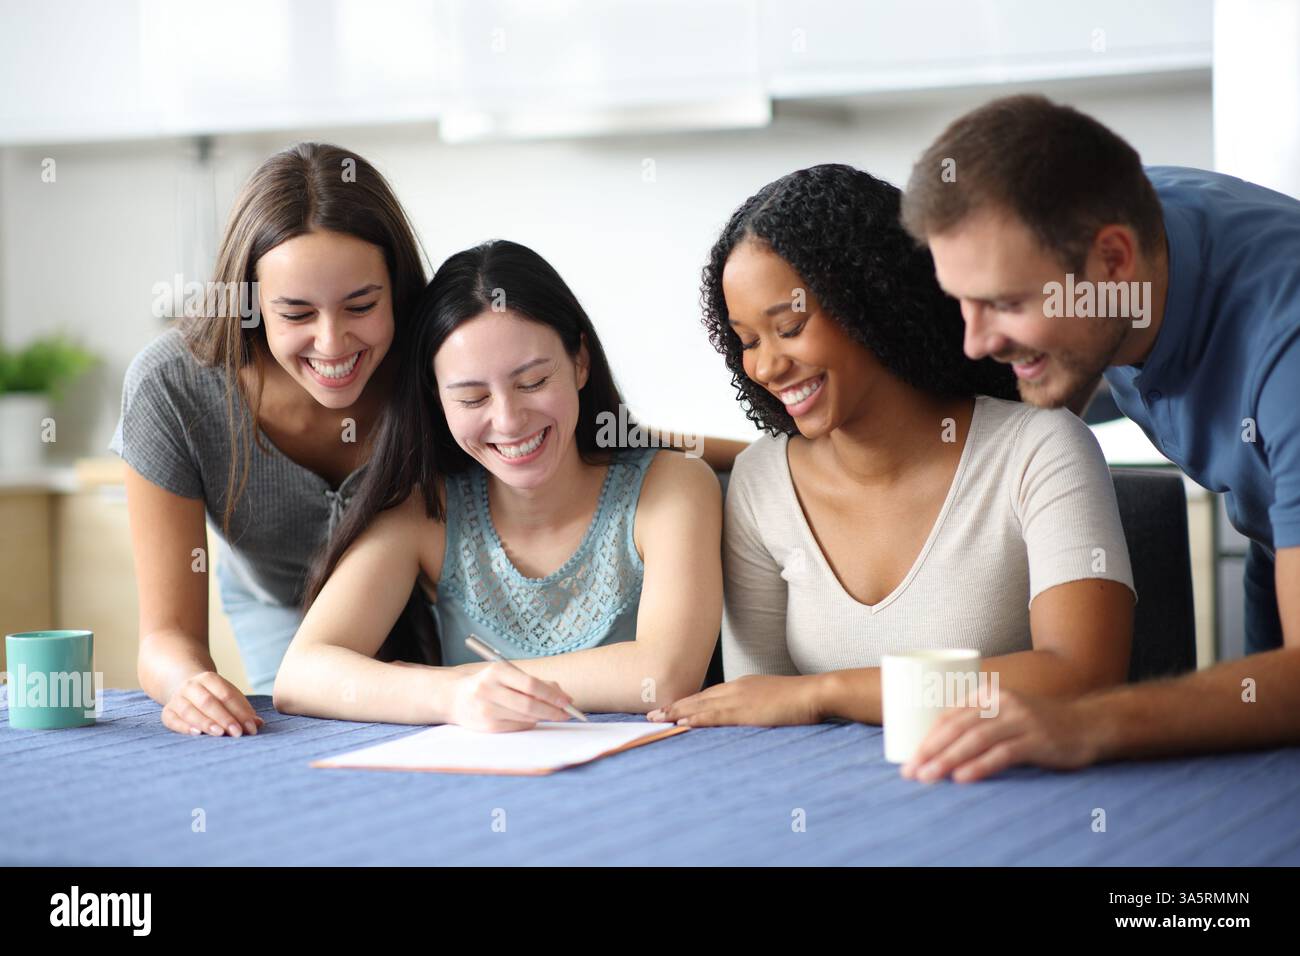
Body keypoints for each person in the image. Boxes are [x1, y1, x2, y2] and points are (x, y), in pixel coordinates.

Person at [897, 93, 1300, 782]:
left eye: (1004, 303)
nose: (974, 341)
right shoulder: (1116, 249)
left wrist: (1083, 720)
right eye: (961, 302)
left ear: (1115, 261)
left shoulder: (1285, 348)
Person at [647, 164, 1136, 728]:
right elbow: (758, 712)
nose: (766, 365)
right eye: (748, 341)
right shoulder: (761, 483)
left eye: (789, 327)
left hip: (1007, 790)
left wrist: (823, 693)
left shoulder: (1039, 450)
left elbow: (1083, 674)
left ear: (870, 301)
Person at [271, 240, 722, 730]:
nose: (508, 421)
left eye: (531, 382)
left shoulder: (672, 486)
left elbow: (665, 674)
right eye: (471, 398)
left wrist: (468, 682)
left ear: (580, 363)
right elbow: (300, 675)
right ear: (437, 403)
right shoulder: (427, 512)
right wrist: (452, 696)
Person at [112, 142, 427, 737]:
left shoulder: (440, 355)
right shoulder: (171, 388)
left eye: (361, 305)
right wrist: (189, 686)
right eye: (297, 314)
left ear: (398, 290)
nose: (332, 344)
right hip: (284, 607)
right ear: (251, 304)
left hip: (441, 606)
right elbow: (165, 636)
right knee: (302, 736)